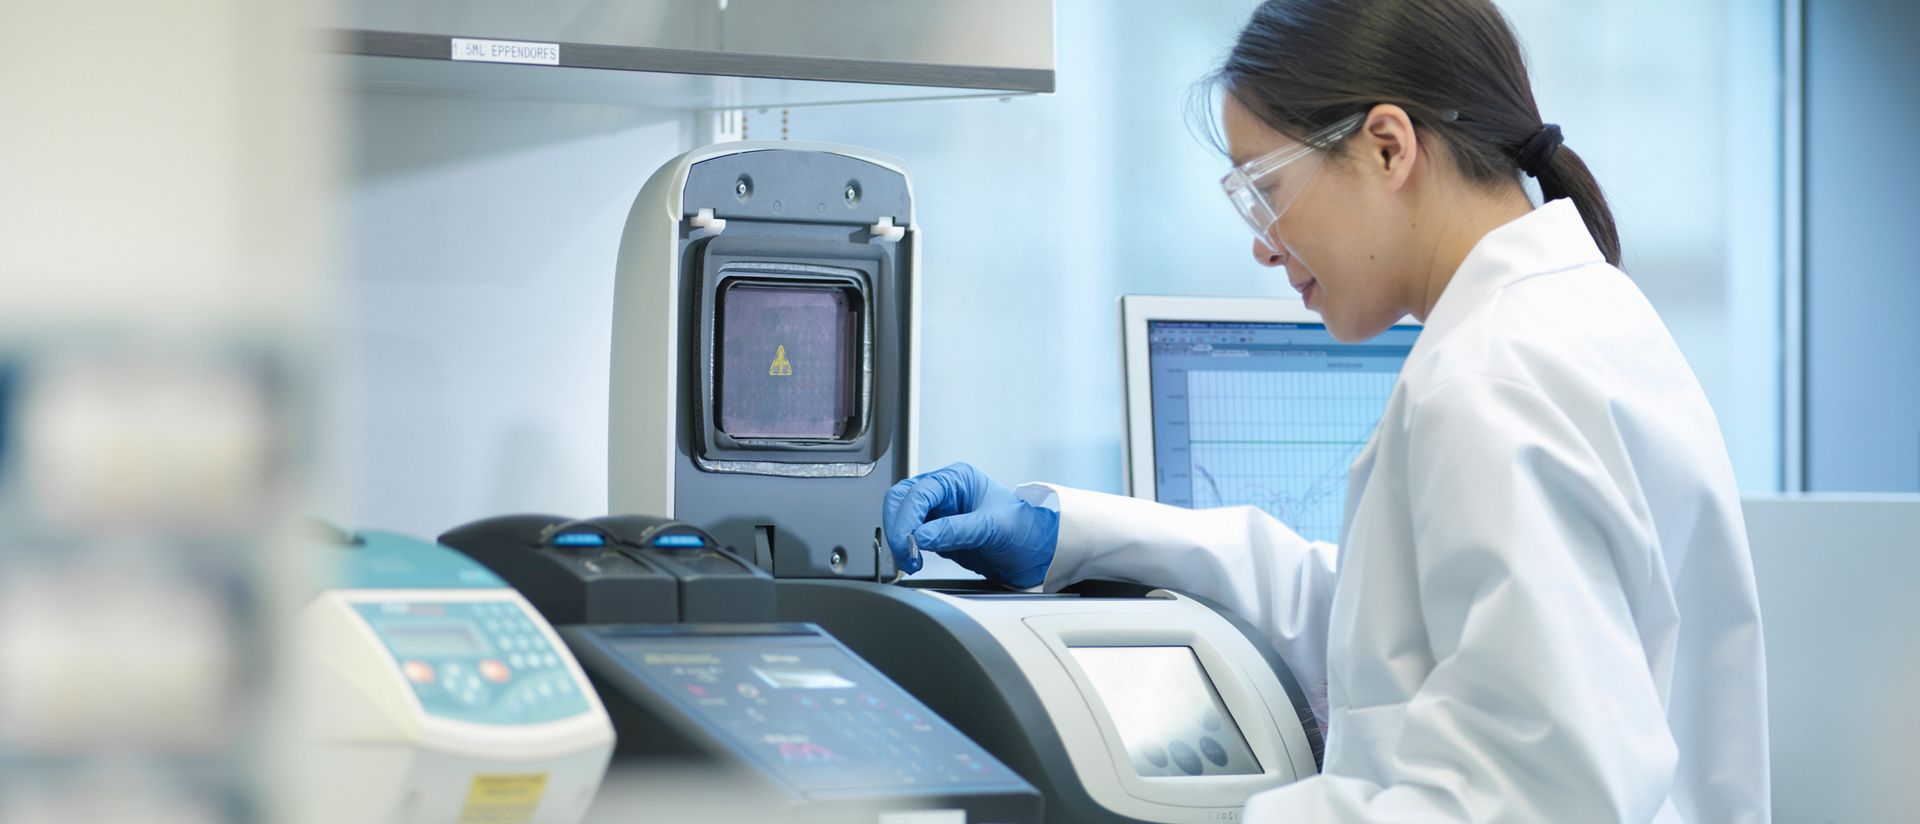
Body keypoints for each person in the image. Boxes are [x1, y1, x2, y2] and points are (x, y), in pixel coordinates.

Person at [881, 0, 1770, 821]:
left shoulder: (1491, 383)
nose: (1265, 244)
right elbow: (1384, 620)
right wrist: (1069, 528)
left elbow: (1529, 795)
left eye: (1264, 187)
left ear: (1389, 147)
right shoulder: (1577, 319)